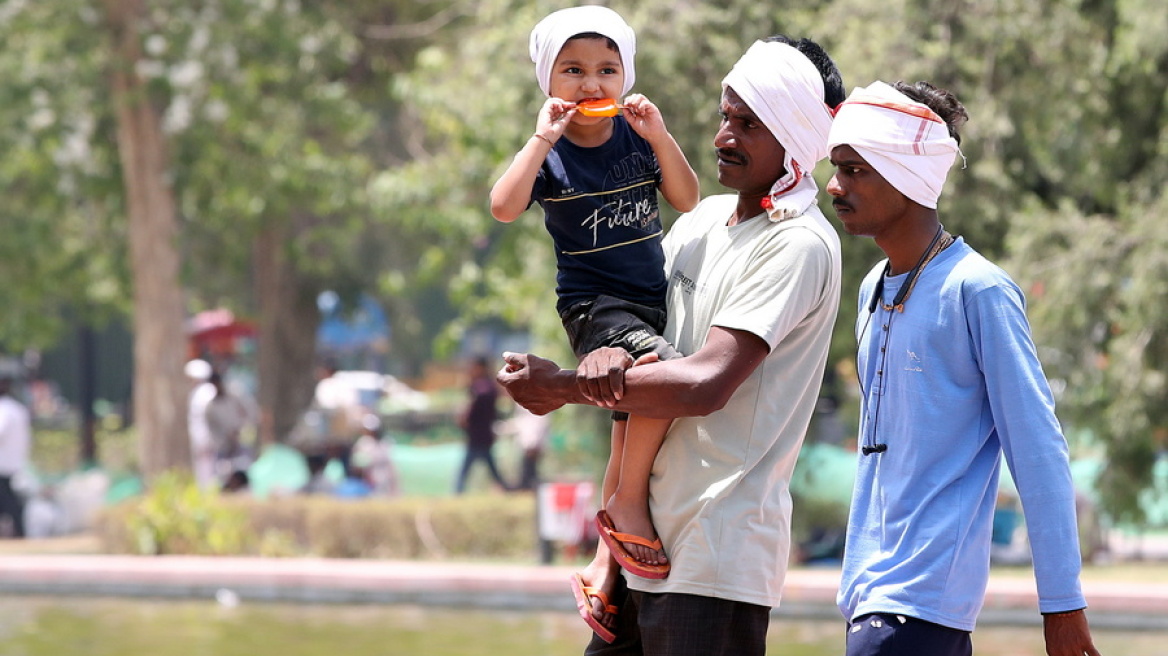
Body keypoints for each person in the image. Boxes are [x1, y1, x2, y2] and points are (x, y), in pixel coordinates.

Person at [498, 35, 844, 656]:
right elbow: (635, 347)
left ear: (795, 135)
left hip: (714, 558)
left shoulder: (797, 245)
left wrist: (565, 386)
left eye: (749, 124)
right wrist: (604, 356)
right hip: (641, 551)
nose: (724, 137)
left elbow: (704, 383)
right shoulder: (703, 222)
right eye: (725, 117)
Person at [825, 80, 1100, 656]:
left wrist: (1063, 609)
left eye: (854, 170)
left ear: (907, 174)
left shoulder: (980, 290)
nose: (834, 186)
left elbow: (1038, 451)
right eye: (836, 167)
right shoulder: (873, 286)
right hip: (867, 601)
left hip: (921, 609)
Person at [490, 5, 701, 577]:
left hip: (650, 299)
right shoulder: (551, 153)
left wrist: (660, 134)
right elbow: (503, 206)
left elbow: (686, 198)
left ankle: (604, 562)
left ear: (625, 78)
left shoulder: (637, 136)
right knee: (662, 370)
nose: (591, 83)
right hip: (594, 307)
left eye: (607, 69)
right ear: (549, 81)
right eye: (573, 70)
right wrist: (540, 137)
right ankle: (629, 504)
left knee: (630, 417)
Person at [454, 355, 512, 494]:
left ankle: (457, 492)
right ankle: (506, 488)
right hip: (482, 434)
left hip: (479, 434)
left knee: (465, 470)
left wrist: (465, 416)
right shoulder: (488, 386)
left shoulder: (482, 387)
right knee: (490, 468)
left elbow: (475, 408)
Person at [0, 377, 31, 538]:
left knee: (9, 501)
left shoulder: (4, 409)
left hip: (3, 463)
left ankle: (20, 530)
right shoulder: (17, 408)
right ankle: (18, 530)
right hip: (13, 461)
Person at [185, 359, 218, 489]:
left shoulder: (206, 392)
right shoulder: (196, 393)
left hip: (206, 438)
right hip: (199, 438)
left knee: (209, 468)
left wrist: (206, 439)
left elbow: (209, 418)